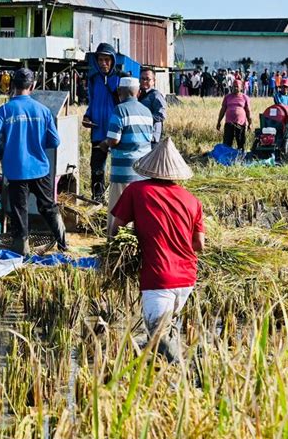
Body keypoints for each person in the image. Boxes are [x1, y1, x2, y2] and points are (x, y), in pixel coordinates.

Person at [110, 137, 205, 363]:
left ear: (149, 168)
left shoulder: (137, 190)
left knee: (158, 336)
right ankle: (159, 378)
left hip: (158, 278)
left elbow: (115, 230)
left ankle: (187, 371)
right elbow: (199, 245)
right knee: (166, 329)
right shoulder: (193, 200)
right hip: (187, 278)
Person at [0, 68, 67, 256]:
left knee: (19, 211)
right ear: (32, 86)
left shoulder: (4, 110)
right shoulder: (43, 111)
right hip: (40, 168)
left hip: (15, 169)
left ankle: (22, 250)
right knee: (48, 206)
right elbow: (55, 141)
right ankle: (63, 243)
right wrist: (38, 144)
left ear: (13, 86)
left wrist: (0, 152)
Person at [99, 77, 153, 236]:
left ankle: (113, 245)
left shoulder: (120, 110)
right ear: (138, 92)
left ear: (120, 92)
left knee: (118, 209)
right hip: (143, 171)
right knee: (137, 210)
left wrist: (105, 144)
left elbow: (114, 140)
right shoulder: (147, 111)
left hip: (124, 172)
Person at [82, 43, 121, 201]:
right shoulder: (93, 79)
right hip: (98, 130)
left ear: (113, 60)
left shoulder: (121, 78)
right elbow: (92, 102)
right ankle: (98, 198)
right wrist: (87, 117)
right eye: (100, 60)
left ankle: (118, 199)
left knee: (119, 168)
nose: (103, 63)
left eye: (107, 59)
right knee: (97, 168)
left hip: (117, 132)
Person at [216, 79, 252, 150]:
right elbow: (223, 110)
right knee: (227, 143)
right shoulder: (227, 97)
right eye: (234, 86)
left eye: (237, 86)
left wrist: (250, 123)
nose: (235, 88)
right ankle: (227, 158)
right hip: (229, 123)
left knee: (240, 142)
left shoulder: (245, 97)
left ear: (241, 87)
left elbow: (248, 111)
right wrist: (219, 121)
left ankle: (240, 158)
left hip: (240, 124)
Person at [138, 68, 166, 143]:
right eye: (142, 79)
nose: (144, 81)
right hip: (141, 136)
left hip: (152, 137)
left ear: (154, 81)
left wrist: (143, 119)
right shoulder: (137, 94)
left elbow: (161, 115)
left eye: (148, 79)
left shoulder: (156, 95)